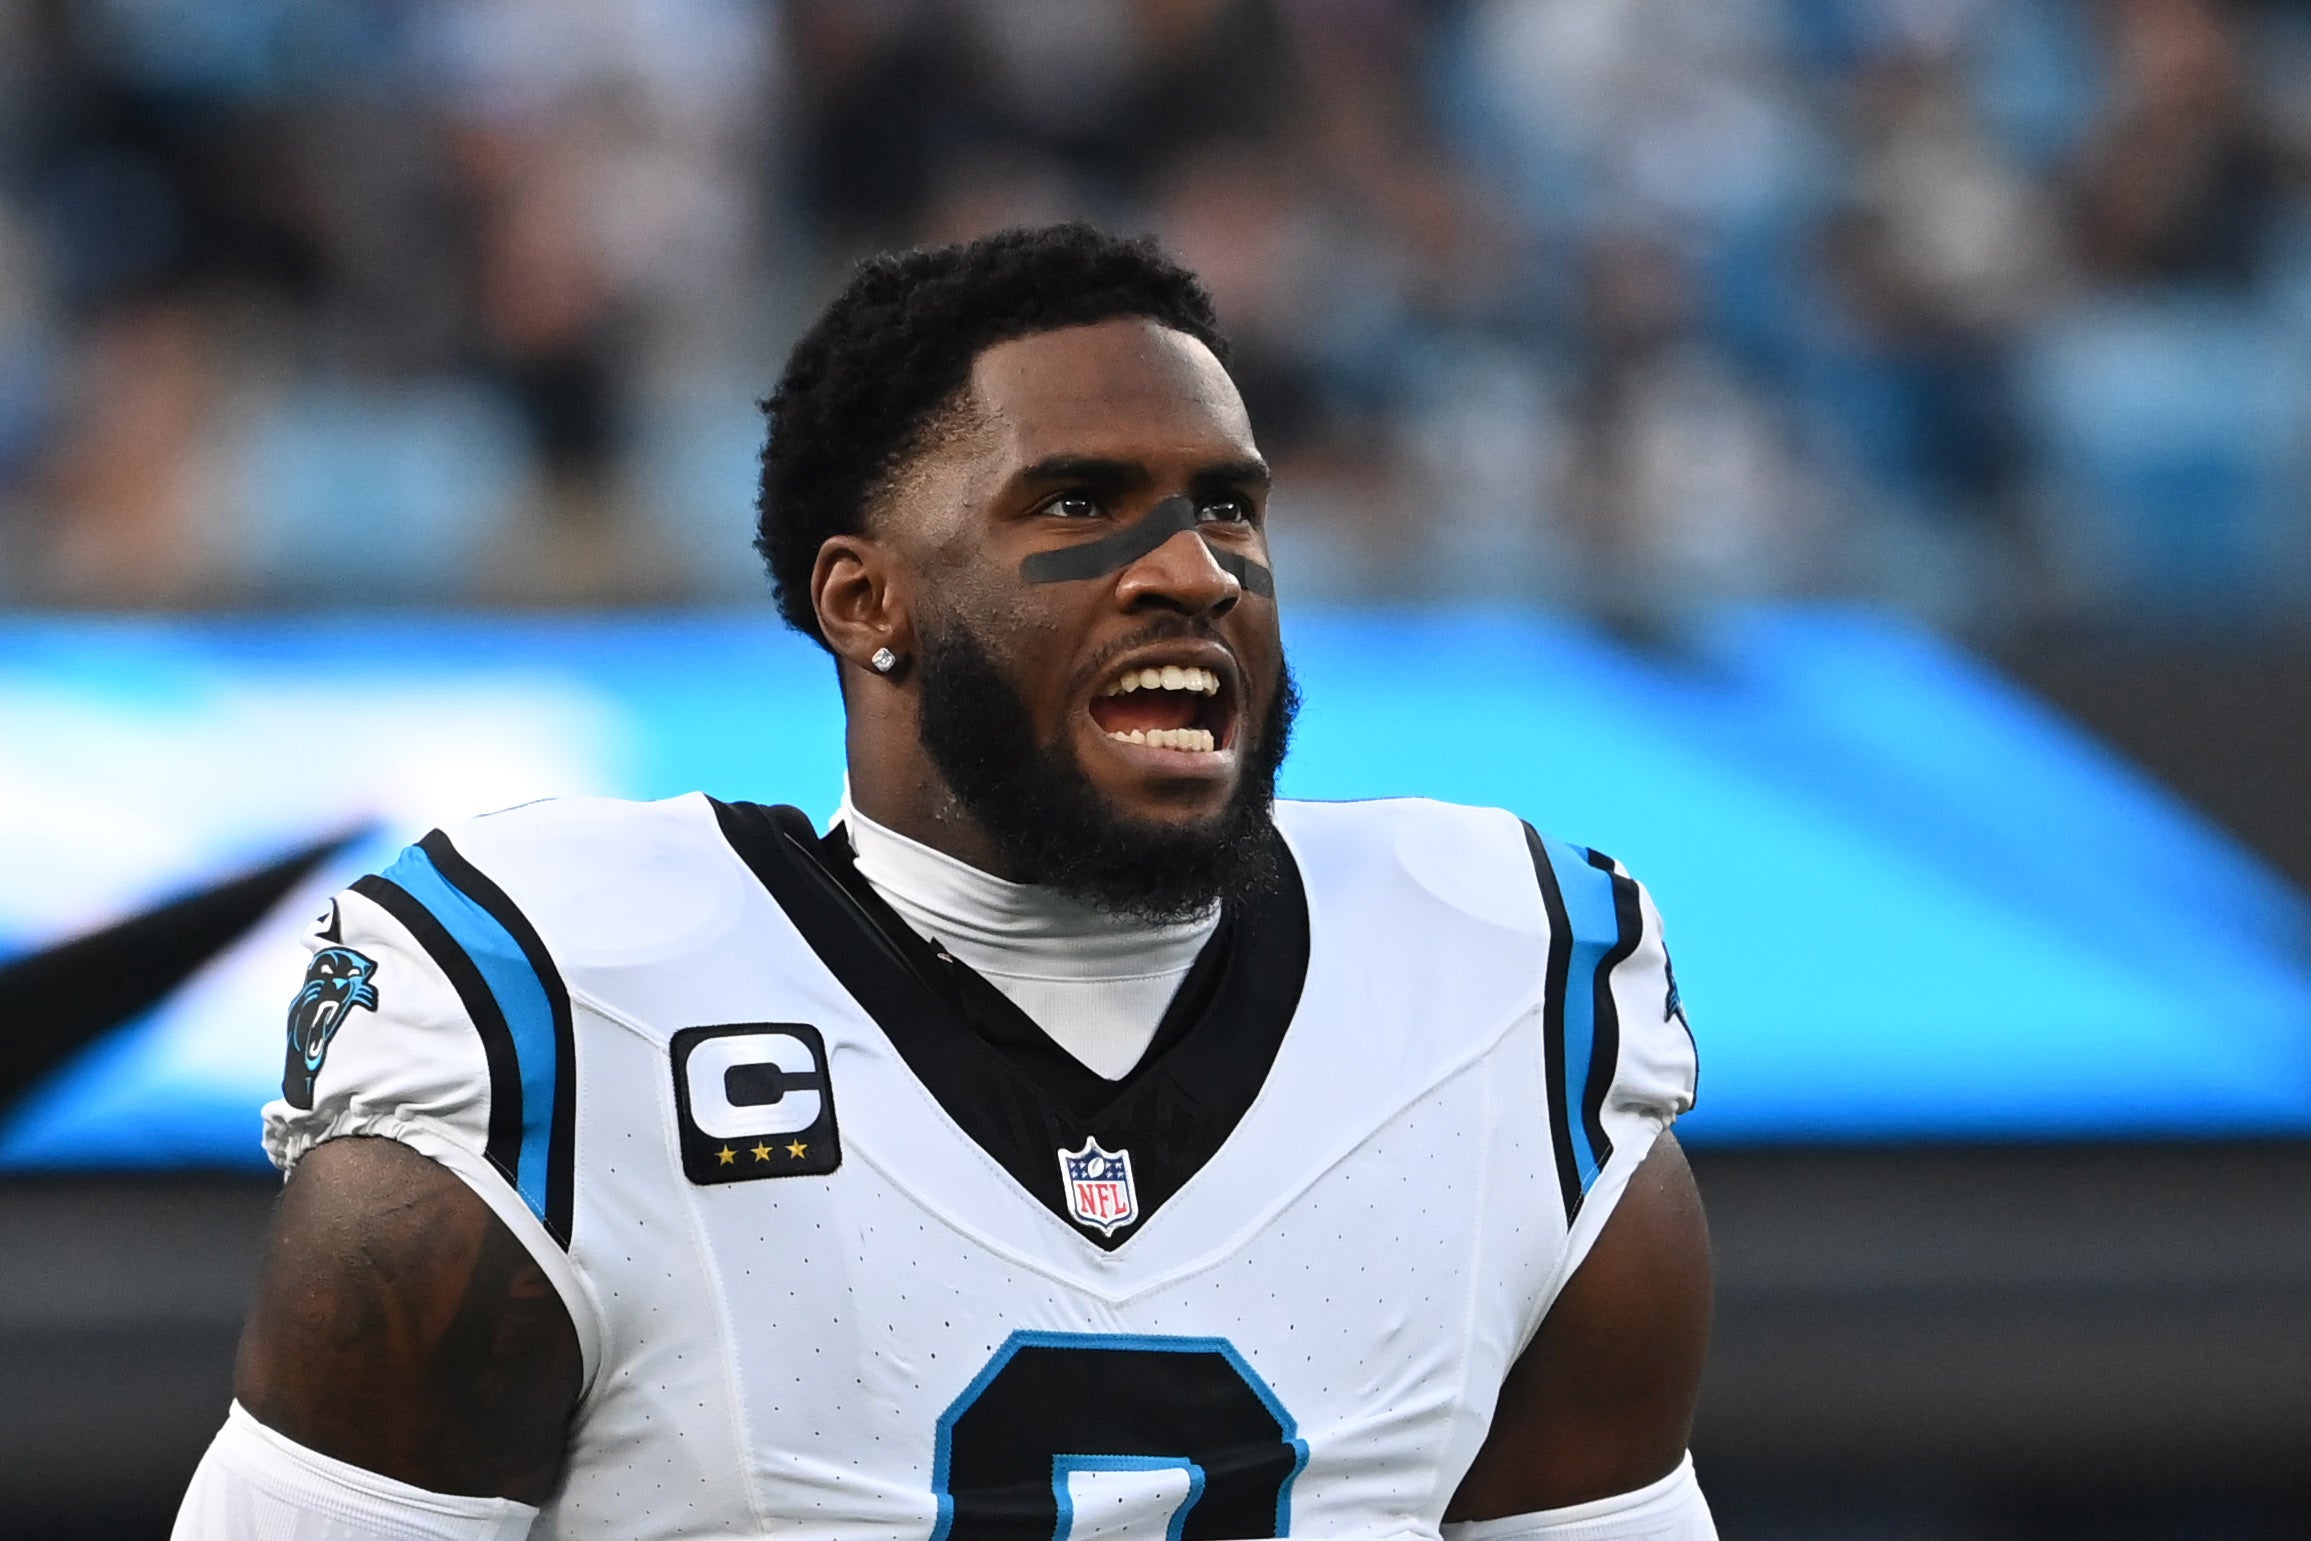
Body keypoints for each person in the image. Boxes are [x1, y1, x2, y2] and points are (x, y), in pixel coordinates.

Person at [174, 224, 1712, 1541]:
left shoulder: (1501, 988)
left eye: (1228, 504)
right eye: (1079, 501)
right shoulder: (570, 1008)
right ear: (867, 602)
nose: (1194, 569)